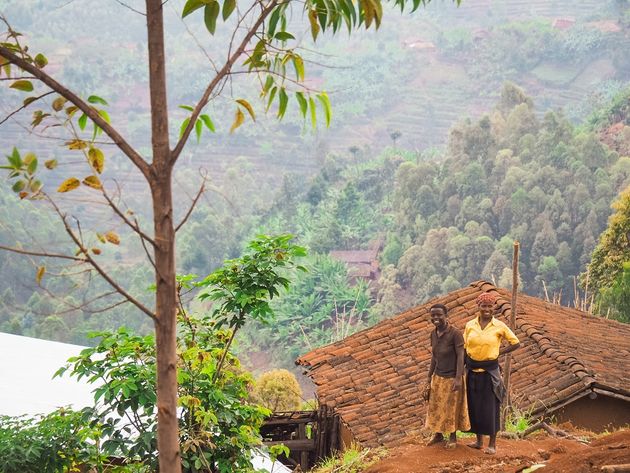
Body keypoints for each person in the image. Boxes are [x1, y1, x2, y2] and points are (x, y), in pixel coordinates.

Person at [464, 292, 520, 455]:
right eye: (484, 306)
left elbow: (515, 343)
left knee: (490, 407)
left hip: (490, 372)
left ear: (493, 307)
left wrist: (500, 353)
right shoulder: (470, 325)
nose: (487, 309)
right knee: (474, 406)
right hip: (472, 370)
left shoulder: (499, 326)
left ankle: (492, 444)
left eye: (490, 306)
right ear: (478, 307)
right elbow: (465, 347)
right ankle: (479, 441)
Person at [424, 303, 470, 448]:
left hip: (452, 377)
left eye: (439, 315)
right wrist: (429, 377)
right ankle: (438, 434)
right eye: (433, 315)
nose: (436, 318)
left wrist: (458, 378)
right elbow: (434, 357)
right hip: (438, 377)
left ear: (446, 316)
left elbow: (461, 356)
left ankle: (452, 437)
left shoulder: (455, 334)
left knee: (451, 408)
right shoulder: (433, 333)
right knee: (436, 407)